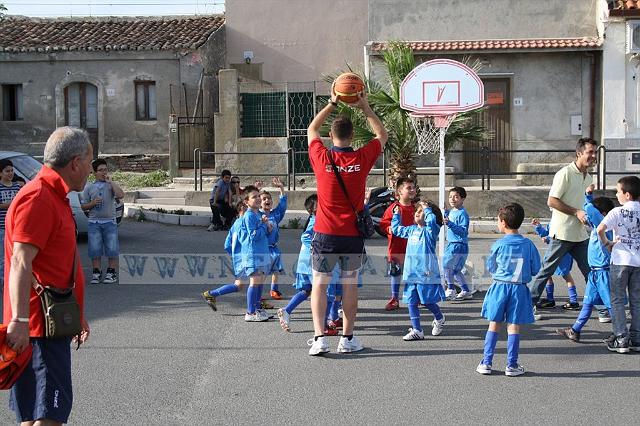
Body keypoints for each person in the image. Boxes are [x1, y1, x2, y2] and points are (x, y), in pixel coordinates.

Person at [3, 126, 91, 425]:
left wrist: (76, 314)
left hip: (47, 322)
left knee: (34, 414)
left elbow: (56, 264)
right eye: (90, 162)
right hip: (40, 328)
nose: (91, 170)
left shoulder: (53, 195)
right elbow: (20, 262)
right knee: (47, 416)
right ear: (75, 163)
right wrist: (20, 321)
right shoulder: (39, 197)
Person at [306, 89, 387, 356]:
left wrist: (331, 102)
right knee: (350, 283)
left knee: (320, 283)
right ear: (353, 136)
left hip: (325, 233)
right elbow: (381, 136)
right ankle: (347, 338)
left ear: (332, 136)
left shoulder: (321, 156)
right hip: (352, 234)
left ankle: (319, 339)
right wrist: (365, 108)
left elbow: (311, 129)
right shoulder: (361, 158)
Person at [528, 138, 598, 320]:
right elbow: (552, 201)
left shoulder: (589, 177)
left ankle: (603, 308)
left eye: (595, 152)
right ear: (579, 153)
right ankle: (527, 306)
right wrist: (576, 212)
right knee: (546, 271)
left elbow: (582, 204)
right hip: (562, 233)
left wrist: (587, 212)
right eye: (590, 152)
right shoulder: (565, 173)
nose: (593, 155)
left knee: (592, 272)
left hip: (580, 234)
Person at [476, 203, 540, 377]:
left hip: (499, 287)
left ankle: (486, 362)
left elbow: (490, 265)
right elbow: (536, 268)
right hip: (519, 289)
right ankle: (511, 365)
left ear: (503, 222)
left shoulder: (498, 244)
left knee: (494, 324)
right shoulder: (528, 244)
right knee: (514, 326)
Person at [556, 188, 614, 343]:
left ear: (602, 214)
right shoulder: (598, 225)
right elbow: (590, 210)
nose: (586, 217)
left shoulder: (604, 225)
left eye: (590, 216)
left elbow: (589, 209)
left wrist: (588, 197)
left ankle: (621, 333)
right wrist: (588, 198)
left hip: (603, 273)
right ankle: (575, 330)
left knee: (611, 305)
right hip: (594, 273)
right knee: (588, 303)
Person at [391, 201, 446, 341]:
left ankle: (439, 318)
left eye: (421, 211)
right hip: (411, 274)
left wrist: (427, 209)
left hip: (426, 274)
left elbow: (432, 221)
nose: (417, 212)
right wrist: (396, 215)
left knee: (427, 301)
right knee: (411, 301)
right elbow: (397, 229)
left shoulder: (430, 231)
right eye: (418, 210)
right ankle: (417, 330)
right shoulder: (412, 230)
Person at [597, 175, 640, 353]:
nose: (617, 195)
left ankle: (621, 338)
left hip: (620, 259)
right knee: (637, 300)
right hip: (638, 262)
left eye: (618, 191)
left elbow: (600, 229)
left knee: (617, 300)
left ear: (627, 194)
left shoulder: (617, 212)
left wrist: (607, 243)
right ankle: (637, 338)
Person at [80, 158, 125, 284]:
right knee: (95, 249)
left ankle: (111, 272)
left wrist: (111, 183)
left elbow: (121, 195)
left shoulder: (110, 186)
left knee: (112, 248)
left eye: (105, 170)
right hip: (94, 223)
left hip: (110, 222)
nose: (104, 172)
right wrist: (92, 203)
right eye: (100, 170)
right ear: (94, 172)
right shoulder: (89, 187)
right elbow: (83, 206)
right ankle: (96, 272)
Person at [278, 194, 317, 332]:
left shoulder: (314, 219)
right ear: (313, 209)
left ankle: (287, 311)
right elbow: (305, 237)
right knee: (322, 291)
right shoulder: (315, 220)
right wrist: (317, 247)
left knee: (306, 290)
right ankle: (328, 320)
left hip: (305, 262)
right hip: (311, 263)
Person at [201, 200, 249, 311]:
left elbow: (227, 244)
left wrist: (234, 255)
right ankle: (211, 293)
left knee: (242, 284)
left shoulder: (235, 223)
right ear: (242, 207)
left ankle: (211, 294)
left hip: (239, 258)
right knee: (250, 282)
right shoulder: (243, 222)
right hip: (244, 258)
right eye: (248, 206)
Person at [378, 178, 417, 311]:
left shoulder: (417, 208)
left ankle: (414, 296)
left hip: (413, 248)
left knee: (413, 272)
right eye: (409, 188)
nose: (412, 190)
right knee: (396, 273)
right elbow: (384, 224)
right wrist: (388, 228)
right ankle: (394, 298)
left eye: (413, 187)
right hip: (396, 247)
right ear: (399, 192)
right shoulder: (394, 208)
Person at [239, 185, 272, 322]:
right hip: (253, 254)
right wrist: (264, 226)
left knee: (259, 282)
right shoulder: (249, 216)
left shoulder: (257, 214)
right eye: (254, 197)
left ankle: (257, 309)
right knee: (254, 282)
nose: (258, 199)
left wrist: (267, 226)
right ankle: (250, 312)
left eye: (259, 196)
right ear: (246, 201)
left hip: (261, 252)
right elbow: (253, 235)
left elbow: (264, 232)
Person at [531, 218, 579, 310]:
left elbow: (560, 237)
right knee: (547, 274)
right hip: (553, 252)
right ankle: (550, 299)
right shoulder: (553, 220)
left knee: (566, 276)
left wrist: (548, 239)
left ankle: (573, 301)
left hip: (562, 253)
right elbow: (547, 233)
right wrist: (538, 227)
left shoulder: (564, 221)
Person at [259, 177, 288, 300]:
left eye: (269, 198)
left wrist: (281, 188)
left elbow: (282, 206)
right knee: (263, 273)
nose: (267, 200)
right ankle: (257, 292)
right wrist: (256, 190)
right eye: (264, 199)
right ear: (259, 203)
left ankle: (274, 290)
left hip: (274, 248)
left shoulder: (275, 215)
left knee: (276, 270)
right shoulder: (257, 215)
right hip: (263, 249)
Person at [443, 186, 472, 301]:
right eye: (450, 197)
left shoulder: (462, 214)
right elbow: (451, 217)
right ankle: (465, 290)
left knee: (446, 266)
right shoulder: (453, 212)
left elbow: (463, 231)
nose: (452, 199)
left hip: (457, 244)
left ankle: (450, 289)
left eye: (456, 197)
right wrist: (446, 212)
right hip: (457, 244)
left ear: (463, 198)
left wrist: (450, 224)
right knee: (455, 270)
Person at [0, 159, 22, 286]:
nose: (10, 173)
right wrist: (9, 204)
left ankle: (13, 280)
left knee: (15, 255)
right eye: (7, 171)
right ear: (1, 173)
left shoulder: (17, 186)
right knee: (3, 258)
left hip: (16, 227)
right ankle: (5, 283)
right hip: (2, 227)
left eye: (12, 170)